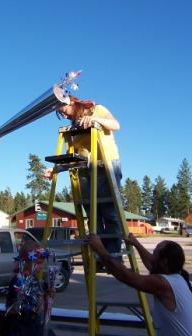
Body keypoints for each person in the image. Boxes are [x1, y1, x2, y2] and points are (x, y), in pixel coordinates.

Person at [86, 233, 192, 335]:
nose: (152, 255)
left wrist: (100, 249)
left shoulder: (164, 284)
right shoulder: (180, 278)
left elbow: (125, 275)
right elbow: (152, 262)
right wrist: (136, 244)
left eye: (155, 252)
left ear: (164, 261)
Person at [46, 96, 123, 257]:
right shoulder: (74, 126)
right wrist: (56, 169)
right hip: (84, 169)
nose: (65, 116)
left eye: (64, 111)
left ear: (72, 103)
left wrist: (94, 119)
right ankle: (100, 253)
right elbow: (73, 156)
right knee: (92, 214)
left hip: (105, 164)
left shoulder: (97, 110)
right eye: (62, 114)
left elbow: (116, 125)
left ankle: (114, 254)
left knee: (109, 212)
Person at [5, 240, 56, 336]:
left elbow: (40, 306)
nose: (40, 267)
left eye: (41, 263)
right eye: (38, 263)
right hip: (20, 327)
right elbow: (15, 308)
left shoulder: (34, 279)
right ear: (25, 262)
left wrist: (47, 296)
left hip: (32, 325)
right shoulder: (19, 281)